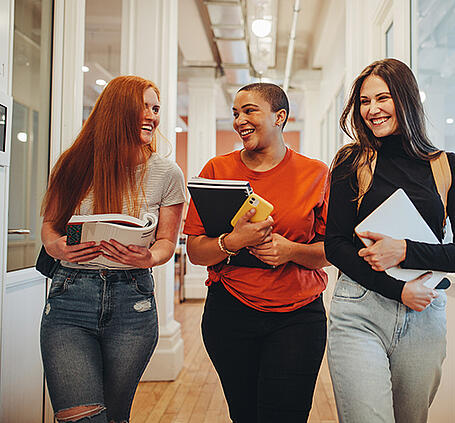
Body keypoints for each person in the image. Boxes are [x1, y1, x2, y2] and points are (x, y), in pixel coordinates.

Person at [325, 58, 455, 422]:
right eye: (364, 101)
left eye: (383, 98)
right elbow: (335, 244)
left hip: (424, 315)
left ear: (407, 99)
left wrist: (405, 251)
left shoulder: (449, 167)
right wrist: (397, 290)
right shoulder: (351, 162)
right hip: (358, 311)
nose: (372, 110)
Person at [39, 75, 186, 422]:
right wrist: (56, 246)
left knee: (115, 415)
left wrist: (149, 256)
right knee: (81, 417)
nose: (152, 115)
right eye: (143, 107)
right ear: (116, 111)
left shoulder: (168, 174)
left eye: (156, 108)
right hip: (70, 299)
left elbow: (166, 242)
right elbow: (50, 226)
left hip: (131, 304)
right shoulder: (73, 164)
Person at [184, 82, 330, 422]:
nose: (239, 120)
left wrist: (290, 250)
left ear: (280, 117)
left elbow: (331, 251)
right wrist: (233, 242)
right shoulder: (216, 171)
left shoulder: (315, 173)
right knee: (244, 415)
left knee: (286, 415)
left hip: (298, 316)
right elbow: (195, 250)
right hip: (230, 313)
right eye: (235, 113)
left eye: (250, 110)